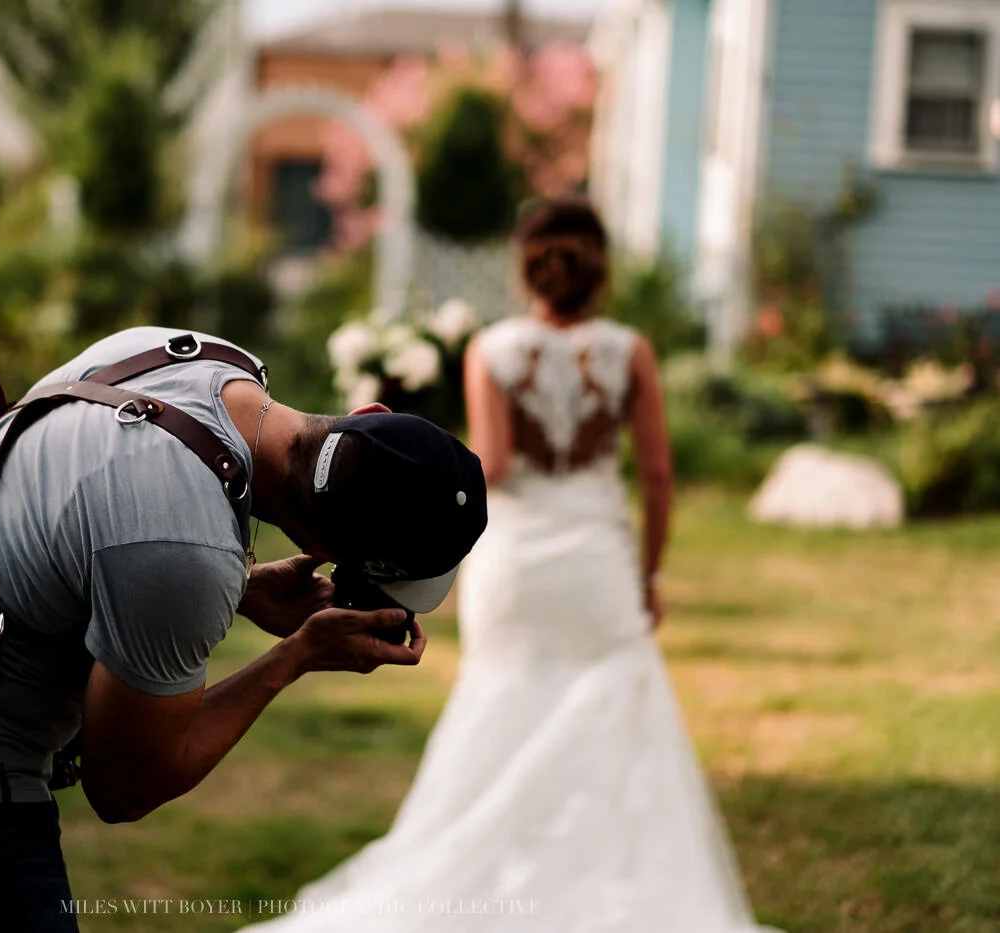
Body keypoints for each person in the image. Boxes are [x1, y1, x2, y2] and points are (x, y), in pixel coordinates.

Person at [0, 325, 488, 932]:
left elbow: (89, 526)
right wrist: (297, 655)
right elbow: (126, 787)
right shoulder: (187, 555)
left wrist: (243, 590)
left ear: (367, 415)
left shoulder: (201, 359)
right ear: (323, 548)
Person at [239, 200, 780, 932]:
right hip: (596, 568)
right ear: (599, 269)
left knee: (498, 710)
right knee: (611, 725)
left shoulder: (491, 350)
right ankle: (602, 882)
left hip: (518, 569)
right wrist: (649, 575)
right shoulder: (631, 351)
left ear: (526, 268)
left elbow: (488, 467)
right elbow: (656, 477)